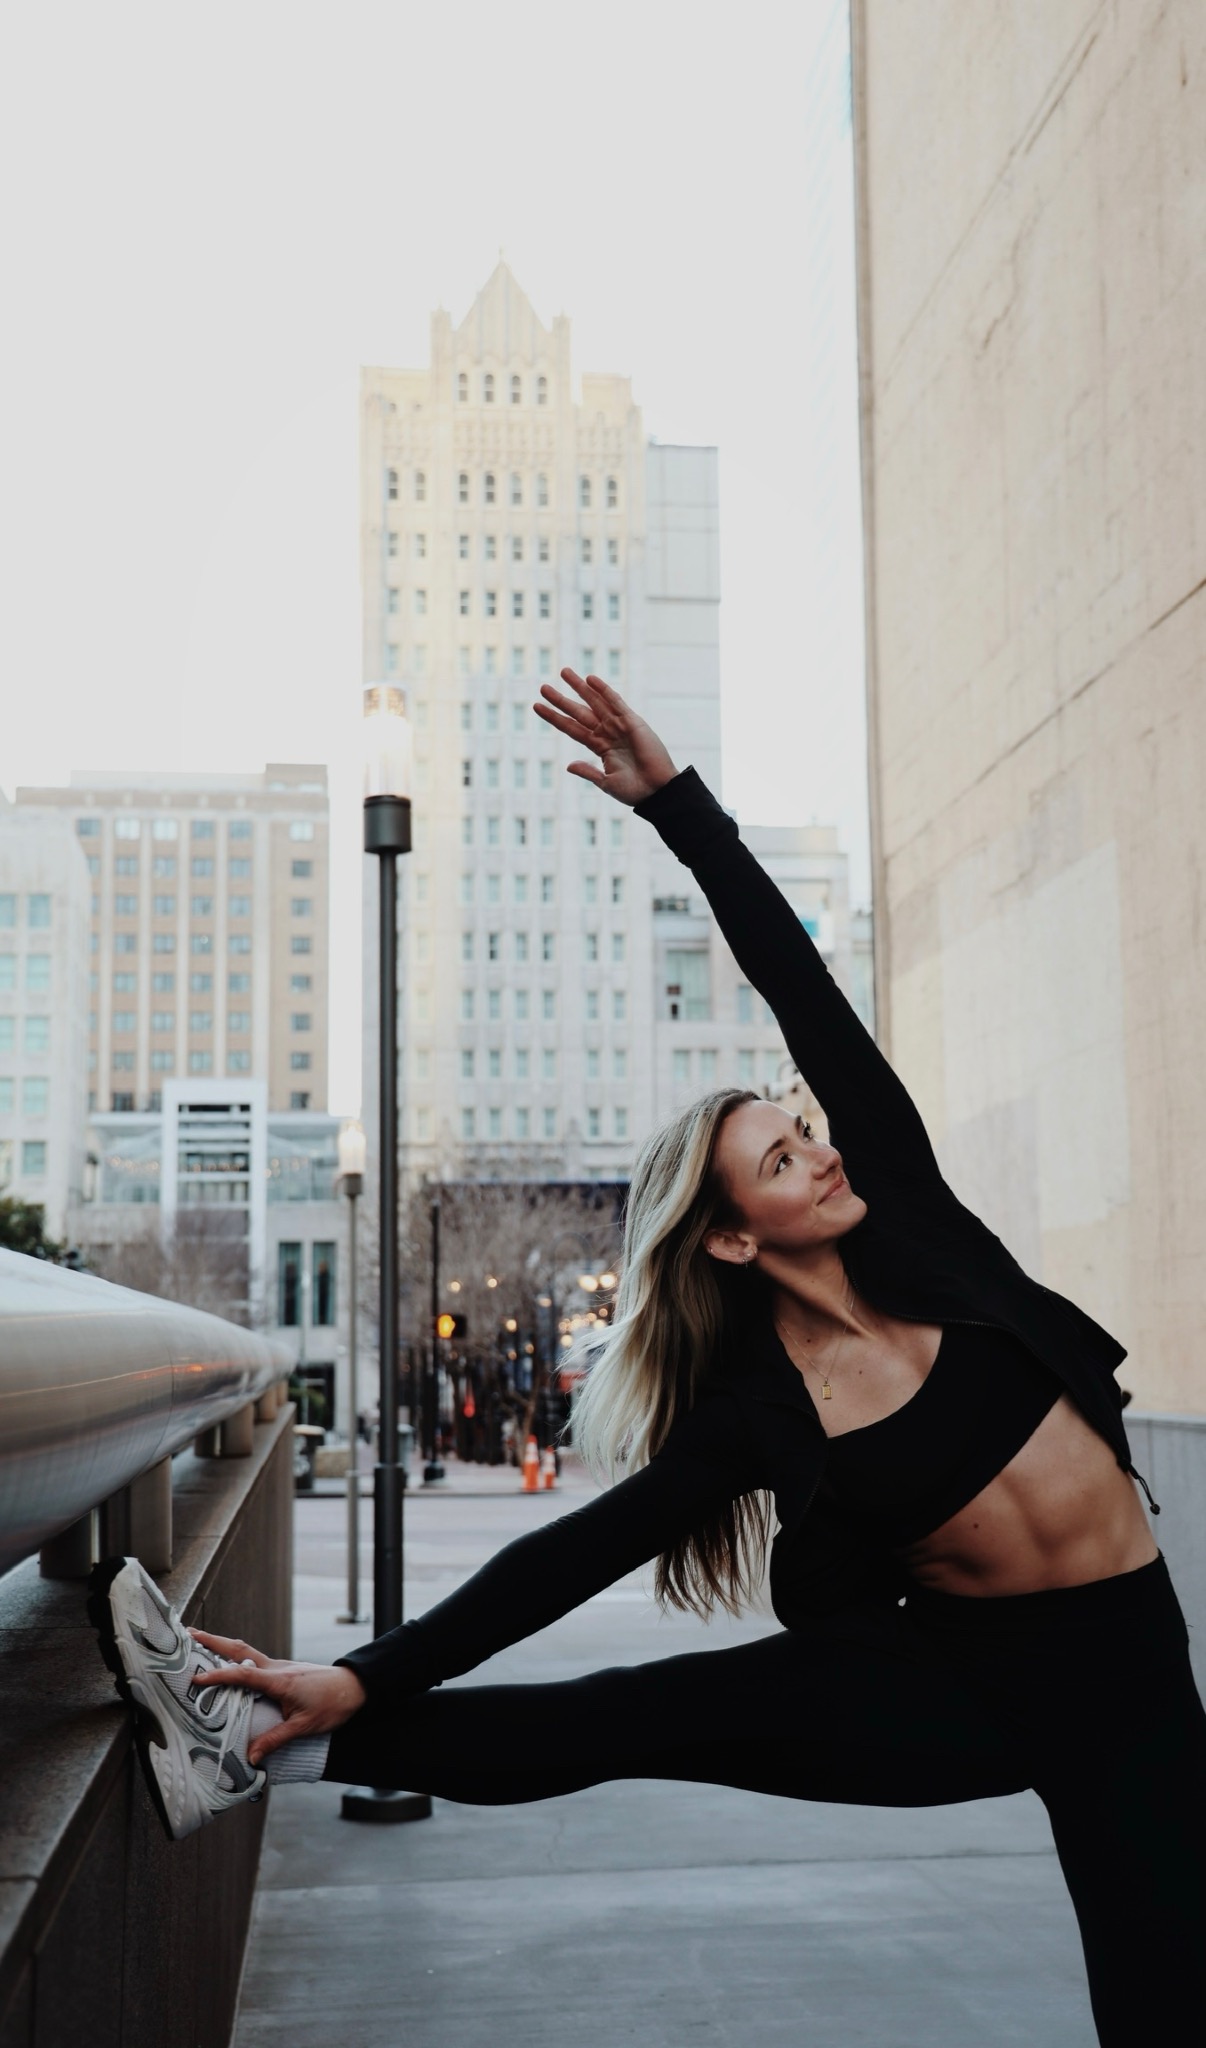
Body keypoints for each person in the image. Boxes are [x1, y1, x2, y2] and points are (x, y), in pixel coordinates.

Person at [91, 670, 1206, 2045]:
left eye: (804, 1136)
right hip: (952, 1682)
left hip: (1131, 1666)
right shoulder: (759, 1411)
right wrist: (372, 1670)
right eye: (781, 1162)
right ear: (731, 1237)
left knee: (1166, 2000)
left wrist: (676, 804)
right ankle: (269, 1747)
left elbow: (802, 989)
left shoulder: (921, 1229)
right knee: (629, 1714)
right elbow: (571, 1556)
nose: (820, 1156)